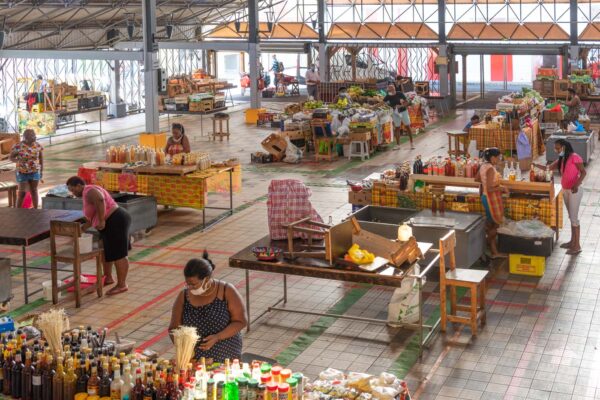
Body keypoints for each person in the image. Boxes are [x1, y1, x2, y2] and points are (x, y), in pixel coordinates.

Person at [169, 252, 247, 363]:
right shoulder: (184, 296)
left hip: (226, 354)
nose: (190, 288)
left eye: (194, 284)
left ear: (207, 279)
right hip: (195, 359)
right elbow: (173, 328)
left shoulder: (226, 290)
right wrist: (183, 347)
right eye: (187, 284)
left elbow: (241, 321)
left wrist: (217, 337)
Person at [66, 176, 132, 296]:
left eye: (73, 190)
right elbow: (93, 216)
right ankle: (107, 277)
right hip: (110, 221)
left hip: (116, 219)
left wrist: (101, 220)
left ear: (79, 185)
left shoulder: (89, 190)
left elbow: (100, 200)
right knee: (104, 250)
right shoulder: (86, 194)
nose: (73, 193)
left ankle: (122, 285)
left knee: (119, 253)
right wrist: (82, 229)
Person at [534, 139, 586, 255]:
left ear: (564, 147)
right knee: (571, 217)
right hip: (566, 190)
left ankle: (577, 246)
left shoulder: (575, 157)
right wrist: (535, 165)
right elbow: (548, 168)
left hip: (574, 191)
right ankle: (572, 242)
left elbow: (583, 172)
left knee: (574, 218)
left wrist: (576, 184)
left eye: (558, 148)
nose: (556, 150)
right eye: (555, 148)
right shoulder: (562, 159)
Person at [475, 147, 508, 259]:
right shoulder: (490, 169)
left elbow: (477, 179)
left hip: (485, 197)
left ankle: (494, 252)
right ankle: (484, 244)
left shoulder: (483, 166)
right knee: (497, 224)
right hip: (490, 198)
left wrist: (485, 182)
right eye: (498, 157)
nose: (499, 159)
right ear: (493, 158)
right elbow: (489, 188)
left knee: (491, 225)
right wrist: (501, 188)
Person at [10, 129, 43, 208]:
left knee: (34, 190)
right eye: (32, 135)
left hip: (35, 171)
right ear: (25, 137)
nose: (35, 137)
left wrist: (41, 171)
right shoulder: (18, 146)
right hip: (22, 172)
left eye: (34, 135)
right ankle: (18, 210)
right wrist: (18, 160)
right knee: (22, 192)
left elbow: (41, 159)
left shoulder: (38, 145)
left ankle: (35, 208)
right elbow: (11, 157)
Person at [383, 84, 414, 149]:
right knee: (397, 127)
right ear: (388, 89)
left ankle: (412, 143)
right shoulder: (388, 96)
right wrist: (373, 107)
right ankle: (398, 145)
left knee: (407, 126)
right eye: (390, 88)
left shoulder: (399, 93)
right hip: (395, 113)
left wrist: (401, 106)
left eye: (393, 87)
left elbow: (407, 102)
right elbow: (382, 102)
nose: (392, 88)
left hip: (403, 112)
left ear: (394, 87)